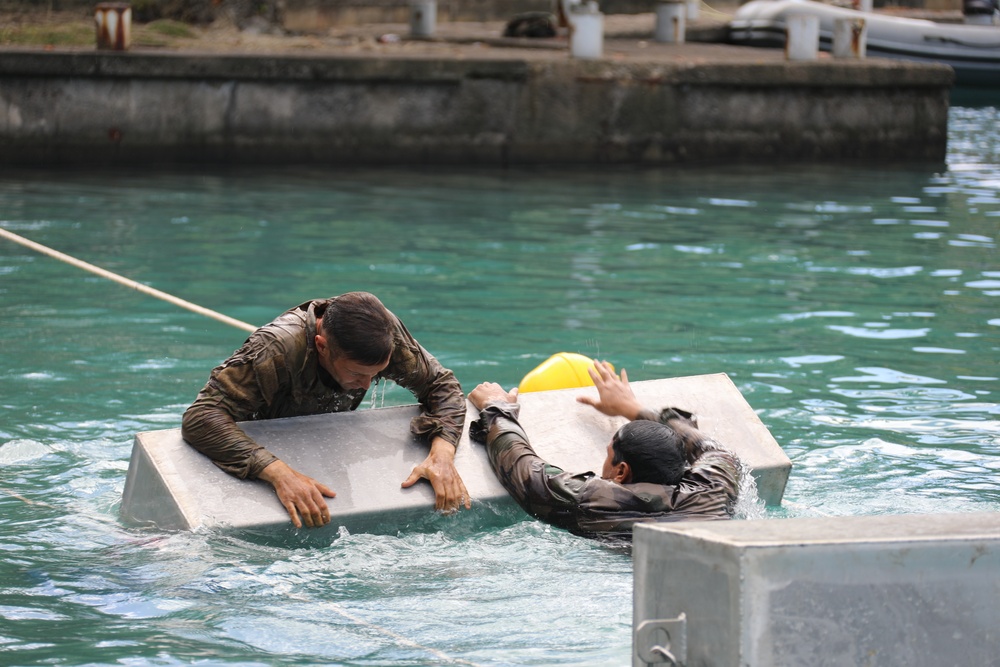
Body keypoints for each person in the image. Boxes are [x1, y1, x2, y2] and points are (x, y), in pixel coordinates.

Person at [182, 291, 469, 528]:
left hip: (321, 448)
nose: (366, 386)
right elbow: (201, 417)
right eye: (357, 375)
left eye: (376, 374)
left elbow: (442, 385)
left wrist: (442, 455)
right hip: (253, 451)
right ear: (322, 346)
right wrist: (278, 474)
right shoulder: (276, 347)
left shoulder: (381, 333)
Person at [467, 361, 741, 538]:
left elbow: (522, 468)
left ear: (621, 471)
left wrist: (497, 409)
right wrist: (632, 408)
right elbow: (706, 446)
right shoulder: (715, 487)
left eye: (608, 455)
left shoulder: (599, 502)